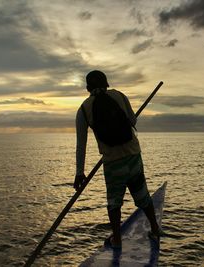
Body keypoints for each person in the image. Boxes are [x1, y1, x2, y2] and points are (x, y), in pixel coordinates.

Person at [74, 70, 162, 249]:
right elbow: (132, 121)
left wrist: (79, 173)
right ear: (106, 84)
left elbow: (80, 145)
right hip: (132, 155)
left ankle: (117, 239)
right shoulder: (119, 95)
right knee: (142, 194)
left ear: (88, 88)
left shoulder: (83, 110)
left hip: (112, 162)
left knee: (114, 202)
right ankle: (154, 228)